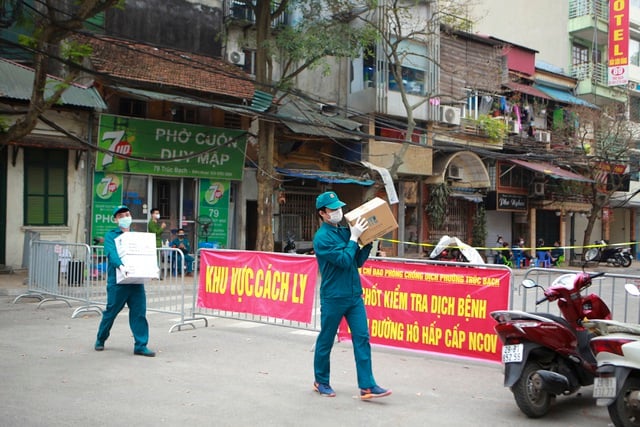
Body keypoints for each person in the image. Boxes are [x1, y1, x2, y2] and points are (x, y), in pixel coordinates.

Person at [312, 191, 391, 400]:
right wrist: (354, 238)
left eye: (339, 208)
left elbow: (356, 261)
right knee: (327, 339)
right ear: (322, 213)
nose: (338, 212)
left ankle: (367, 385)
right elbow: (345, 260)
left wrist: (368, 241)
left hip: (354, 295)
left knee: (362, 337)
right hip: (333, 297)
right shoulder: (321, 239)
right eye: (333, 209)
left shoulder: (344, 231)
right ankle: (321, 381)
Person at [95, 205, 156, 357]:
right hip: (118, 282)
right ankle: (101, 338)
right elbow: (111, 253)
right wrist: (120, 266)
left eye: (127, 214)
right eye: (121, 216)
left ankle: (141, 345)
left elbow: (145, 255)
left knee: (139, 313)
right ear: (116, 220)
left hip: (135, 281)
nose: (125, 217)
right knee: (111, 312)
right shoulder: (111, 235)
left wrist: (152, 269)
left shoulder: (136, 236)